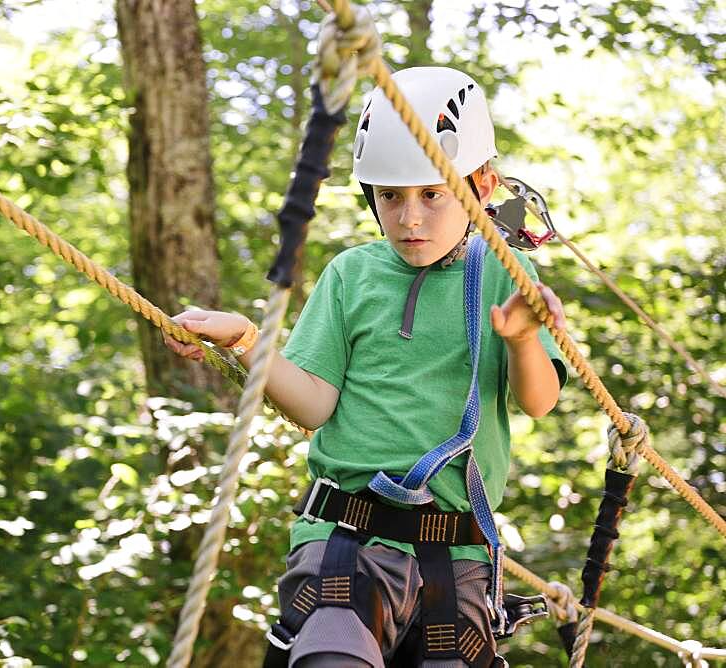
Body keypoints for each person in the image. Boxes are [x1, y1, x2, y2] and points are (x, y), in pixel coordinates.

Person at [163, 66, 567, 668]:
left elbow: (539, 401)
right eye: (390, 196)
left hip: (457, 555)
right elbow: (313, 405)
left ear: (481, 186)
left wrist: (521, 339)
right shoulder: (353, 274)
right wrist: (248, 339)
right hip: (349, 541)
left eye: (433, 194)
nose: (409, 218)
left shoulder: (510, 277)